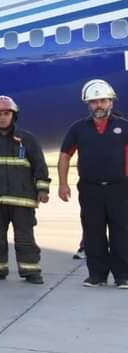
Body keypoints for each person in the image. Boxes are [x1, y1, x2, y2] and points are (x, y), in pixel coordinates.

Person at [0, 96, 48, 284]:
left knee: (24, 237)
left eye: (6, 114)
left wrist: (42, 189)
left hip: (22, 198)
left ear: (13, 115)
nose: (2, 118)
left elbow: (40, 165)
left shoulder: (27, 140)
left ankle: (31, 272)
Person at [58, 79, 128, 288]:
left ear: (111, 102)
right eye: (94, 102)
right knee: (93, 232)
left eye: (103, 101)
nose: (99, 105)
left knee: (122, 232)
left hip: (120, 189)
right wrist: (63, 184)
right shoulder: (78, 129)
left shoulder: (124, 127)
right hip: (90, 189)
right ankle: (97, 276)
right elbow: (64, 156)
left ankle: (123, 276)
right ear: (88, 104)